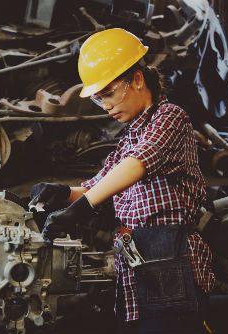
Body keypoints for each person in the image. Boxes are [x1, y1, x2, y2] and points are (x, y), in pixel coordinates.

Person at [29, 28, 215, 333]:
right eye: (99, 99)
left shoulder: (170, 118)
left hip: (171, 262)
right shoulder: (129, 139)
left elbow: (138, 164)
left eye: (110, 93)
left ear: (137, 79)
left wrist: (83, 207)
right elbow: (96, 186)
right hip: (135, 263)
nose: (105, 106)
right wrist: (61, 194)